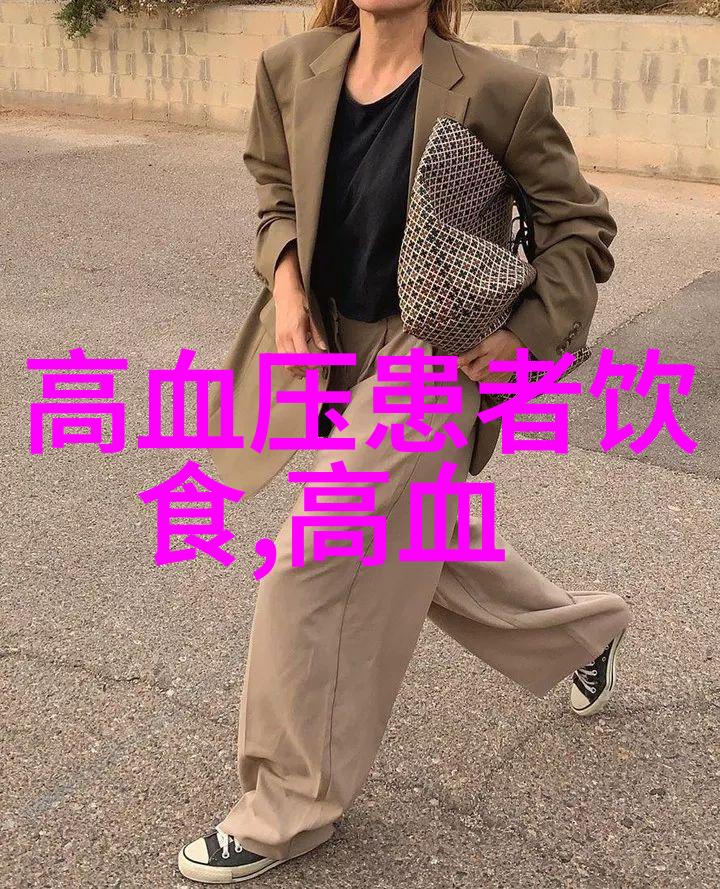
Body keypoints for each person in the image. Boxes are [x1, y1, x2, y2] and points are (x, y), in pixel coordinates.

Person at [178, 0, 630, 882]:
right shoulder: (292, 67)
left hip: (431, 360)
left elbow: (581, 227)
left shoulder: (500, 90)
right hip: (329, 348)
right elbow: (275, 189)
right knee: (428, 541)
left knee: (311, 557)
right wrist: (287, 284)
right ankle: (587, 635)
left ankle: (288, 804)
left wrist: (525, 337)